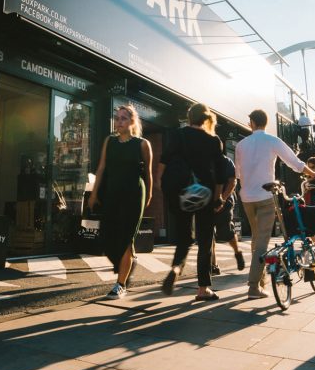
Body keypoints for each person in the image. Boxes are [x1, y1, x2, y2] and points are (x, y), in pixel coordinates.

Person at [234, 108, 315, 300]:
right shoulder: (272, 141)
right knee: (262, 241)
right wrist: (313, 173)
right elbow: (295, 162)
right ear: (266, 123)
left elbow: (238, 173)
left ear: (251, 122)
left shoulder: (241, 145)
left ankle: (260, 281)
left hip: (246, 197)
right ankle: (253, 287)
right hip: (266, 196)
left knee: (256, 238)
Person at [158, 103, 224, 301]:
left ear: (189, 117)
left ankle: (177, 268)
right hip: (205, 194)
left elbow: (164, 160)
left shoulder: (177, 135)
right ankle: (203, 289)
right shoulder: (214, 140)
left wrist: (162, 186)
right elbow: (220, 174)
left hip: (181, 193)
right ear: (205, 119)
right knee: (205, 241)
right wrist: (218, 197)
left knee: (184, 238)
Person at [89, 105, 152, 299]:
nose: (119, 122)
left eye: (123, 118)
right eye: (117, 118)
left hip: (134, 194)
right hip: (112, 194)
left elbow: (148, 173)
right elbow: (101, 168)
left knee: (126, 238)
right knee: (108, 236)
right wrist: (94, 193)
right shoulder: (109, 141)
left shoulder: (142, 144)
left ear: (132, 122)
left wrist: (148, 195)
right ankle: (129, 258)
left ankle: (120, 284)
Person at [209, 153, 244, 276]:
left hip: (225, 200)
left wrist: (222, 200)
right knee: (208, 234)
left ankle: (237, 252)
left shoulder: (226, 162)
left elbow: (232, 182)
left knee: (226, 232)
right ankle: (213, 265)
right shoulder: (202, 160)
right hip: (207, 202)